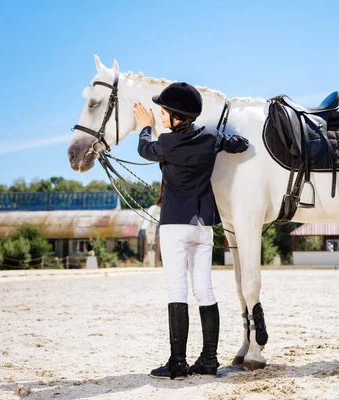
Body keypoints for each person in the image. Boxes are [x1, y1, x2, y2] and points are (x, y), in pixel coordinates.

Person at [133, 82, 249, 379]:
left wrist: (145, 126)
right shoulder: (210, 136)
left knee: (177, 290)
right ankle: (209, 360)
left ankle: (178, 362)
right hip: (204, 224)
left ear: (176, 117)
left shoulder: (168, 143)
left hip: (175, 224)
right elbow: (240, 144)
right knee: (205, 290)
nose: (160, 116)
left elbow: (145, 148)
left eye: (163, 113)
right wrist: (225, 138)